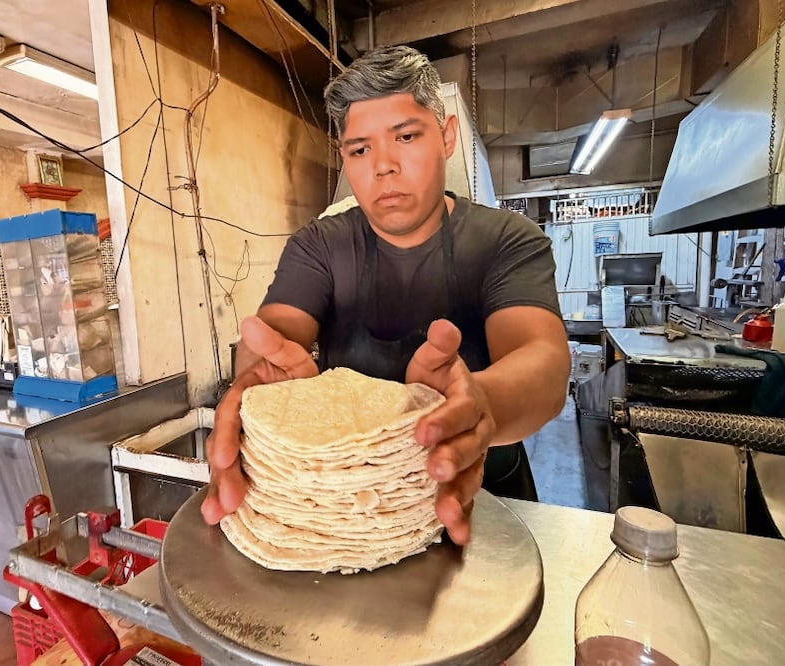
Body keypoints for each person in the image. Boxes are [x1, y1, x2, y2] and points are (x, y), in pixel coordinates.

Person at [201, 46, 570, 545]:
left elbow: (543, 362)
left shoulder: (507, 240)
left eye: (406, 136)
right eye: (360, 149)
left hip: (484, 499)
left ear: (446, 136)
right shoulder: (321, 245)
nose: (383, 167)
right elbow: (275, 336)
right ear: (345, 159)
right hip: (350, 511)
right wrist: (260, 380)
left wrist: (479, 402)